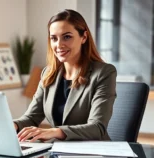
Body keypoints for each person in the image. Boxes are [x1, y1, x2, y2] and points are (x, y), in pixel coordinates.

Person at [13, 9, 117, 142]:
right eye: (53, 38)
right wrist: (12, 125)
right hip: (56, 155)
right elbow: (31, 118)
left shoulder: (104, 73)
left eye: (67, 37)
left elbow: (97, 127)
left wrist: (55, 132)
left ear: (84, 37)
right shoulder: (48, 74)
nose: (59, 45)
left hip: (92, 157)